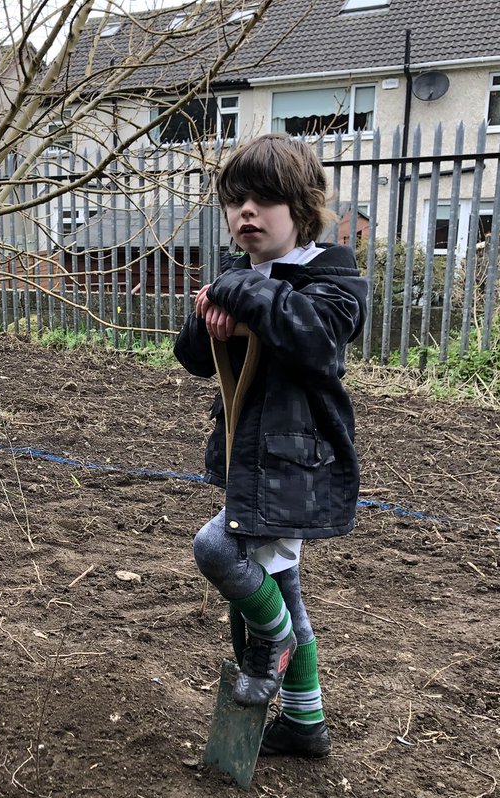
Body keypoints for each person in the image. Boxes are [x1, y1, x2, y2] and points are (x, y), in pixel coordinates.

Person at [174, 134, 367, 758]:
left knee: (216, 548)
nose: (246, 213)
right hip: (248, 458)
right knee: (279, 585)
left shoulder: (334, 282)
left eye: (264, 200)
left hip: (295, 464)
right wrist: (212, 322)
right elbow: (194, 361)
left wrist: (239, 292)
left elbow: (310, 338)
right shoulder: (241, 279)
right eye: (235, 202)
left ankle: (272, 648)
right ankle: (305, 725)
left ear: (303, 207)